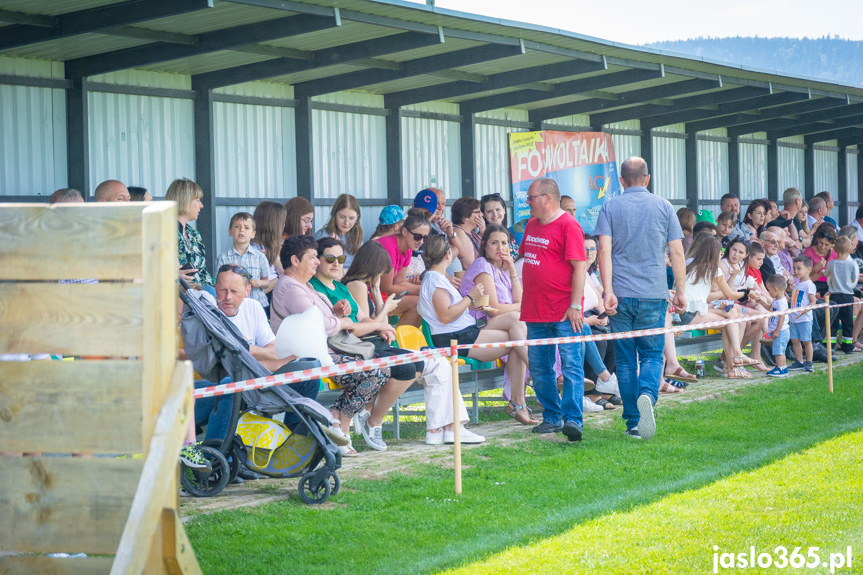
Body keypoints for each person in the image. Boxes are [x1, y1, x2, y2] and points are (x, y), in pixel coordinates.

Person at [270, 235, 406, 454]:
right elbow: (316, 324)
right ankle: (338, 422)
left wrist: (336, 310)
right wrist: (342, 321)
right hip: (306, 358)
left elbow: (318, 317)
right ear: (295, 260)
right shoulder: (290, 287)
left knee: (380, 370)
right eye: (313, 257)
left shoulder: (301, 285)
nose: (317, 261)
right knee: (378, 371)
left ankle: (337, 420)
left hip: (321, 353)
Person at [181, 264, 321, 473]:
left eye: (234, 291)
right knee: (232, 385)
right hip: (200, 390)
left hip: (248, 378)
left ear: (247, 291)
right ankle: (219, 460)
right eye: (222, 290)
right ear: (215, 287)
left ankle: (292, 447)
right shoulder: (203, 310)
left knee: (307, 377)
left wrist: (247, 350)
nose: (227, 297)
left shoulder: (253, 308)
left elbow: (276, 351)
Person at [595, 157, 686, 441]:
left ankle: (633, 422)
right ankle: (648, 393)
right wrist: (680, 290)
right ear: (647, 178)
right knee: (650, 354)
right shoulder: (664, 206)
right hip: (653, 293)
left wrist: (607, 290)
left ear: (622, 181)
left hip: (621, 294)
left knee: (624, 360)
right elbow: (677, 253)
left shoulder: (610, 206)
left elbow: (604, 252)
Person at [418, 234, 533, 433]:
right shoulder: (434, 280)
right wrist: (470, 297)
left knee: (516, 321)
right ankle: (536, 378)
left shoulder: (437, 278)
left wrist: (474, 306)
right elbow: (446, 316)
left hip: (466, 330)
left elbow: (453, 312)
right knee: (517, 334)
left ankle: (521, 400)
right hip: (457, 338)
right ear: (447, 254)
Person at [520, 177, 589, 442]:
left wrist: (574, 305)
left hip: (563, 310)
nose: (528, 203)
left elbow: (579, 267)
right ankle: (551, 416)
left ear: (547, 199)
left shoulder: (569, 226)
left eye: (531, 198)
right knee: (539, 367)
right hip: (535, 309)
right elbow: (528, 259)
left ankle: (573, 419)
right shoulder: (532, 225)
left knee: (571, 366)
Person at [457, 224, 538, 423]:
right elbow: (493, 308)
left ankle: (518, 404)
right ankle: (538, 372)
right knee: (516, 320)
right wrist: (519, 308)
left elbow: (519, 301)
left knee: (517, 338)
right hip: (476, 327)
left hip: (498, 328)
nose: (500, 248)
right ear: (484, 245)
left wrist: (511, 269)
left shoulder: (500, 270)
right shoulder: (482, 265)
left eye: (504, 243)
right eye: (494, 243)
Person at [678, 233, 758, 379]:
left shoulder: (691, 265)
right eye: (720, 251)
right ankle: (735, 359)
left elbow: (704, 296)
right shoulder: (714, 269)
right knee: (732, 317)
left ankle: (733, 363)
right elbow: (730, 295)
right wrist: (748, 293)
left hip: (686, 310)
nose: (722, 253)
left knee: (732, 313)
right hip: (689, 313)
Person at [375, 211, 429, 327]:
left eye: (425, 238)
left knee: (423, 300)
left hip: (380, 295)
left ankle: (403, 340)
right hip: (368, 297)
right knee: (417, 303)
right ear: (404, 231)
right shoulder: (389, 247)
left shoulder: (408, 248)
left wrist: (425, 289)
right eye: (418, 236)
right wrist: (424, 290)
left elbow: (400, 281)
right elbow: (387, 288)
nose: (420, 241)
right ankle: (395, 340)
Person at [216, 212, 274, 311]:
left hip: (257, 304)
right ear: (230, 232)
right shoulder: (223, 258)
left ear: (253, 234)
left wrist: (259, 283)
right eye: (237, 226)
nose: (241, 230)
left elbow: (267, 282)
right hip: (233, 305)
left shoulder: (260, 257)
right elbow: (219, 282)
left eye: (246, 228)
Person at [167, 178, 213, 292]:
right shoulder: (164, 230)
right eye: (198, 200)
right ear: (185, 201)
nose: (201, 206)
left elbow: (203, 271)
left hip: (202, 293)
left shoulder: (193, 233)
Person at [825, 236, 860, 354]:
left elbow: (826, 274)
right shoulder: (851, 264)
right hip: (847, 296)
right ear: (850, 250)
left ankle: (829, 346)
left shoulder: (831, 263)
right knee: (848, 322)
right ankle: (847, 346)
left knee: (833, 321)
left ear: (834, 249)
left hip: (834, 296)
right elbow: (854, 278)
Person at [314, 193, 363, 268]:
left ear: (357, 218)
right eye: (342, 217)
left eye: (351, 218)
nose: (346, 223)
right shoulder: (322, 235)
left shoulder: (357, 237)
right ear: (334, 214)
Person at [788, 255, 816, 372]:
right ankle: (799, 361)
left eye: (799, 268)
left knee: (806, 341)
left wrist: (803, 312)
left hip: (804, 319)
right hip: (794, 319)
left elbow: (812, 302)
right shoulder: (798, 284)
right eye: (794, 268)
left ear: (808, 269)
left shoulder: (809, 285)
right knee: (795, 340)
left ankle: (809, 362)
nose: (796, 271)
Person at [764, 274, 791, 377]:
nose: (768, 292)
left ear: (775, 289)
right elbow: (769, 308)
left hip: (781, 331)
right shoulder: (776, 300)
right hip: (781, 331)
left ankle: (779, 369)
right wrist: (760, 301)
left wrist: (777, 331)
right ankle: (783, 368)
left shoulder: (781, 302)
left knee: (778, 351)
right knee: (781, 351)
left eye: (769, 289)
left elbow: (782, 317)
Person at [253, 200, 287, 278]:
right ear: (272, 225)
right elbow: (262, 287)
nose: (284, 225)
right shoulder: (255, 251)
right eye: (282, 222)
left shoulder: (270, 247)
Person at [451, 196, 485, 269]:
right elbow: (469, 265)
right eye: (477, 212)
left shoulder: (472, 233)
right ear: (465, 216)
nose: (482, 215)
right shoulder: (459, 232)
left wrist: (483, 234)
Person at [802, 227, 837, 296]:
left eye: (827, 245)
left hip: (830, 287)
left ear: (832, 245)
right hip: (813, 285)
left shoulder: (834, 253)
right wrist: (815, 269)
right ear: (817, 239)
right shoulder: (808, 253)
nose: (823, 247)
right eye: (821, 243)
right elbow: (802, 277)